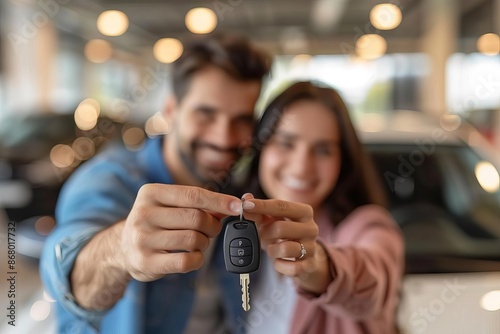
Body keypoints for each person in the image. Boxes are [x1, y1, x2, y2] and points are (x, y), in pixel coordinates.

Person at [40, 33, 271, 333]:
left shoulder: (242, 196)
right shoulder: (110, 178)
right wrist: (120, 250)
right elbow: (71, 274)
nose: (224, 137)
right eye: (206, 114)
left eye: (241, 119)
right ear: (171, 110)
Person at [238, 81, 404, 334]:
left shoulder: (366, 225)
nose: (302, 166)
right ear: (261, 148)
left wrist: (318, 264)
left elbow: (373, 283)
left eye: (323, 150)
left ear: (343, 160)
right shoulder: (238, 229)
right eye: (285, 143)